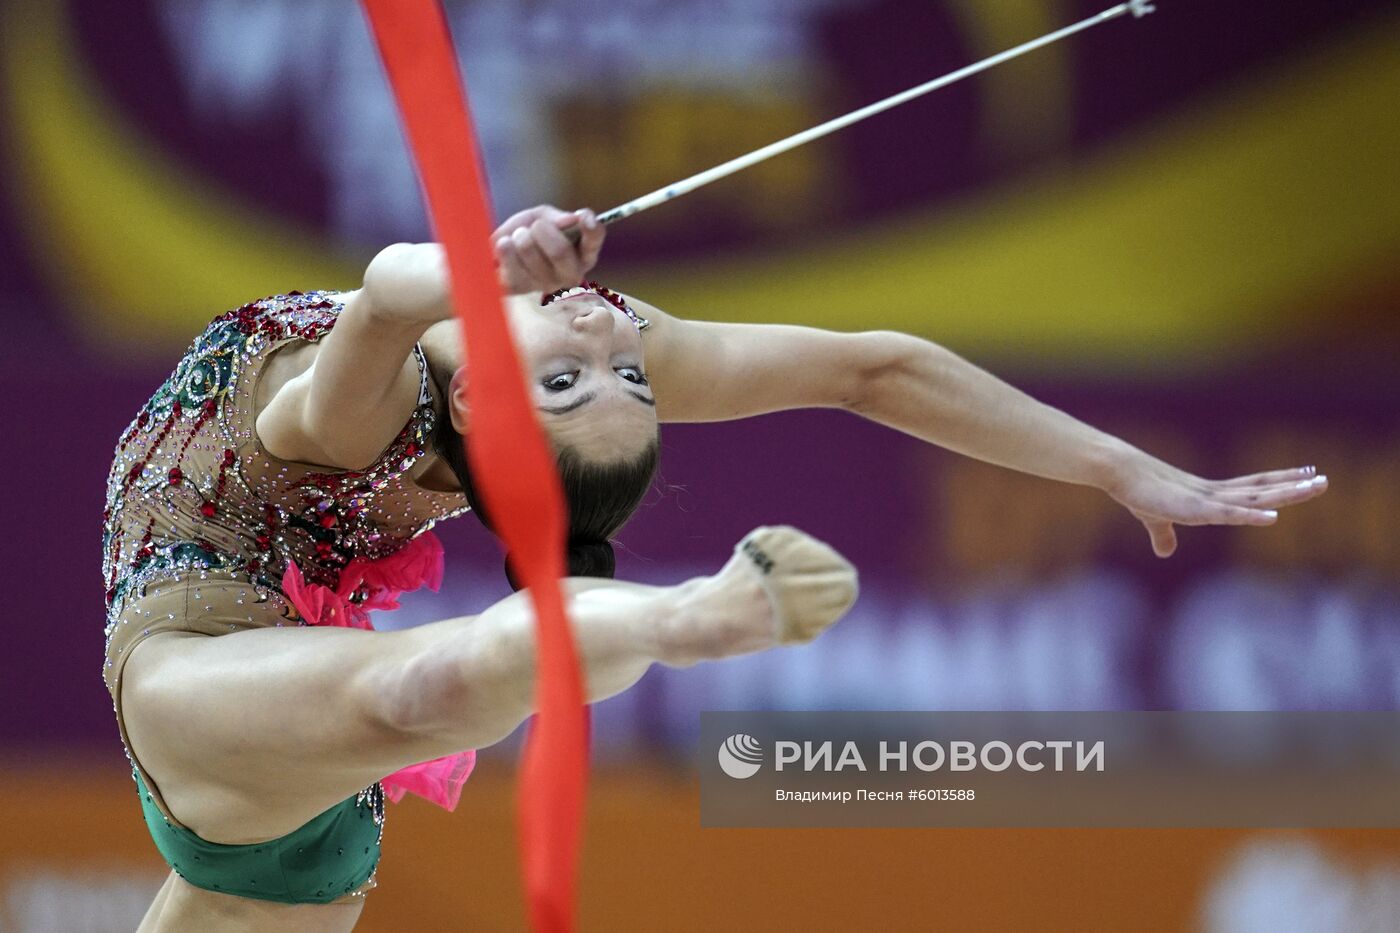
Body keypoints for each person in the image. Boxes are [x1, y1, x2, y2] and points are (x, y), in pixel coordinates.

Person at [106, 204, 1326, 931]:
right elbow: (870, 367)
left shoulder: (371, 409)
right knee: (383, 719)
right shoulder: (583, 320)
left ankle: (678, 620)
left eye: (583, 379)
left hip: (218, 675)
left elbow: (383, 296)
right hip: (260, 759)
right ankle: (663, 621)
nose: (610, 350)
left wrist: (486, 266)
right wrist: (1124, 470)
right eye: (623, 381)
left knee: (410, 693)